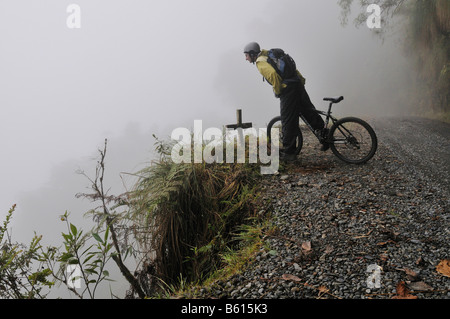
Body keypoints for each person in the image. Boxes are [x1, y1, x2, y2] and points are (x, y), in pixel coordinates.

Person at [243, 42, 328, 161]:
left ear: (252, 54)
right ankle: (325, 136)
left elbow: (273, 76)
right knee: (309, 111)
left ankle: (289, 153)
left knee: (287, 120)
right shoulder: (270, 54)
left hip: (288, 89)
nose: (246, 58)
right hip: (297, 84)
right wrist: (301, 81)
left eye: (246, 55)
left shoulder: (260, 61)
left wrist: (278, 91)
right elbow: (292, 68)